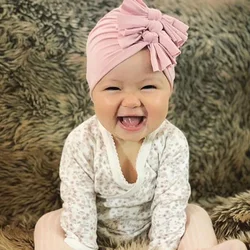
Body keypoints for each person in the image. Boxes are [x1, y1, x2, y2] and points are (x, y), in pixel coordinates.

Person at [34, 0, 247, 250]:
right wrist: (81, 244)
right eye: (113, 88)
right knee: (48, 223)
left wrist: (163, 246)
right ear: (93, 93)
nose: (132, 101)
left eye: (148, 87)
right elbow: (79, 204)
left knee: (195, 215)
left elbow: (170, 202)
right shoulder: (82, 141)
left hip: (156, 227)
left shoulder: (171, 141)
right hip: (94, 228)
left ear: (169, 91)